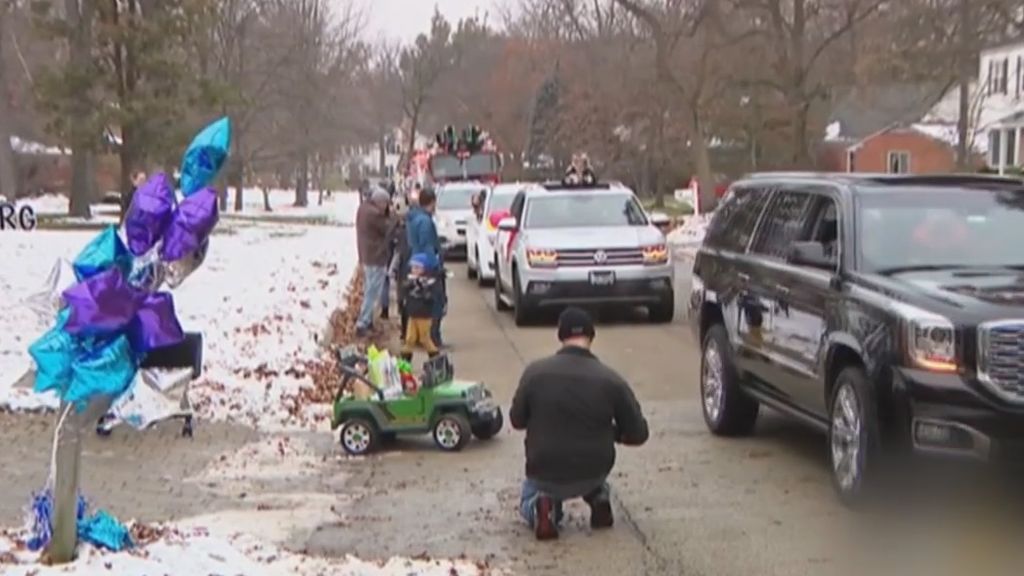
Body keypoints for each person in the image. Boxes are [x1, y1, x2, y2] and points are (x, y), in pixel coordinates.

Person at [510, 307, 649, 541]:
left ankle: (541, 508)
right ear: (592, 336)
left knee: (530, 493)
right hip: (594, 466)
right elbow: (639, 434)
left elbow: (517, 420)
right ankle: (598, 498)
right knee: (595, 480)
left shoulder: (534, 373)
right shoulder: (611, 379)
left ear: (561, 336)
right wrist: (610, 432)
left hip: (544, 466)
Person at [406, 188, 447, 348]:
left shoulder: (414, 217)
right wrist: (435, 265)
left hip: (415, 263)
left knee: (421, 302)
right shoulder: (425, 221)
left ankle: (420, 336)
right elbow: (427, 245)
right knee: (437, 301)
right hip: (426, 266)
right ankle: (432, 337)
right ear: (432, 202)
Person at [355, 189, 391, 337]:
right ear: (380, 202)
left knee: (369, 288)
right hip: (376, 256)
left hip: (367, 255)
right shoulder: (374, 214)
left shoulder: (363, 209)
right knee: (372, 291)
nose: (386, 207)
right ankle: (363, 322)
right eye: (386, 203)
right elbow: (387, 228)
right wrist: (393, 216)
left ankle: (367, 320)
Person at [401, 253, 440, 363]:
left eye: (417, 268)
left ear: (424, 268)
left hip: (424, 314)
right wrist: (409, 287)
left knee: (424, 339)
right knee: (409, 339)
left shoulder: (430, 282)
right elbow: (404, 291)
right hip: (412, 314)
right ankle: (404, 363)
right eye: (413, 267)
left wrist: (424, 290)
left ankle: (436, 360)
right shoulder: (410, 281)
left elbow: (432, 296)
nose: (414, 270)